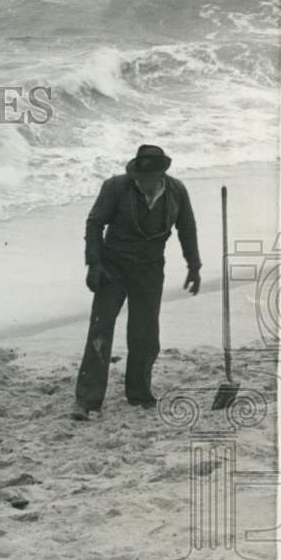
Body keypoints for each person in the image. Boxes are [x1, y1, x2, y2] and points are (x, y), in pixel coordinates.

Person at [71, 144, 201, 421]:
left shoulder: (176, 191)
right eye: (139, 178)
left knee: (145, 333)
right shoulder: (116, 187)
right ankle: (87, 400)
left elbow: (187, 228)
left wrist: (194, 266)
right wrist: (94, 264)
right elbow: (94, 223)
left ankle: (140, 393)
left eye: (150, 177)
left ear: (161, 174)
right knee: (100, 330)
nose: (144, 182)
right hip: (113, 267)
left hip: (150, 269)